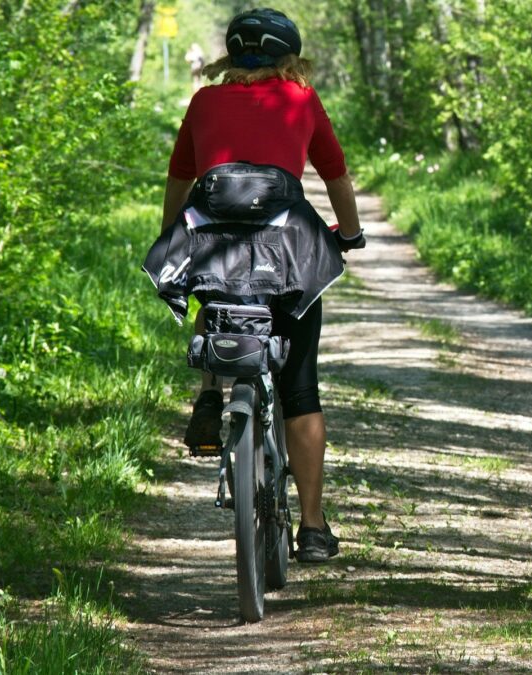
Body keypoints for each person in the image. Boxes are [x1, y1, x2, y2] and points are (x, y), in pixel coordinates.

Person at [159, 8, 365, 563]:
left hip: (213, 241)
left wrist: (170, 238)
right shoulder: (300, 99)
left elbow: (181, 180)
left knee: (214, 287)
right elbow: (335, 174)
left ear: (231, 56)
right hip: (287, 249)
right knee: (301, 388)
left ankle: (209, 391)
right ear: (288, 58)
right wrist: (350, 235)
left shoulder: (204, 102)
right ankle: (314, 528)